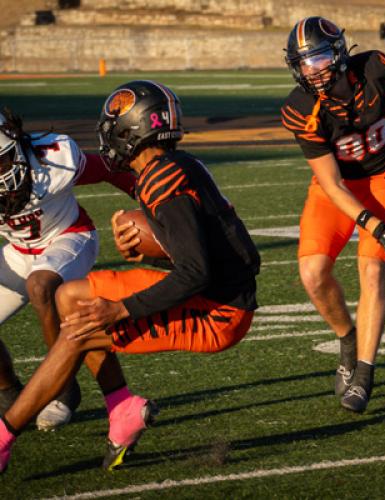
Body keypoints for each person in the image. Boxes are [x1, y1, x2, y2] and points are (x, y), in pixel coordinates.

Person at [0, 80, 260, 473]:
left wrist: (120, 310)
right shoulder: (178, 165)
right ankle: (122, 409)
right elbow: (217, 254)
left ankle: (4, 438)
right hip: (216, 292)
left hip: (219, 314)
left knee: (82, 325)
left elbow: (196, 272)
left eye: (114, 130)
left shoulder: (161, 179)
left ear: (130, 133)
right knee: (72, 298)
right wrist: (149, 252)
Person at [281, 17, 385, 413]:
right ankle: (347, 338)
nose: (311, 69)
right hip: (336, 187)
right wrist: (374, 225)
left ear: (336, 53)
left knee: (372, 271)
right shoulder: (301, 108)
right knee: (312, 274)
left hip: (382, 178)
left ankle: (365, 374)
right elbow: (331, 185)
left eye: (317, 57)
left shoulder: (375, 70)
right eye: (303, 62)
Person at [0, 109, 136, 430]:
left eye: (3, 160)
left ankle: (63, 387)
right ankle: (8, 394)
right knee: (35, 281)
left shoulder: (52, 161)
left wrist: (148, 197)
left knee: (40, 286)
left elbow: (108, 169)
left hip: (69, 237)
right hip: (20, 252)